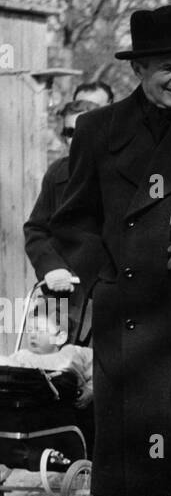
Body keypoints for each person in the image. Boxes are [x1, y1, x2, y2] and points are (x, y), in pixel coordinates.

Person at [52, 5, 171, 496]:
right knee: (118, 451)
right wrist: (104, 276)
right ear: (138, 67)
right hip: (127, 316)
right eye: (166, 67)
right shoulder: (98, 131)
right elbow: (73, 223)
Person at [24, 100, 93, 336]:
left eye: (84, 131)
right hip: (63, 297)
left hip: (108, 303)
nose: (76, 139)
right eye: (69, 132)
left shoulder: (124, 173)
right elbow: (36, 230)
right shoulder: (57, 174)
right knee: (52, 367)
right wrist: (51, 267)